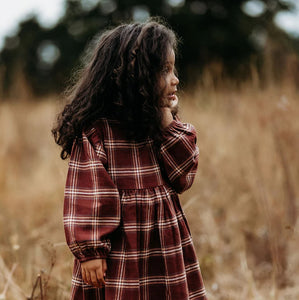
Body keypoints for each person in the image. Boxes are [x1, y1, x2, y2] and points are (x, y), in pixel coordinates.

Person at [52, 19, 207, 300]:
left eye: (173, 69)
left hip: (164, 245)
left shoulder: (161, 126)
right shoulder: (98, 131)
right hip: (120, 248)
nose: (176, 79)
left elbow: (184, 177)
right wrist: (90, 251)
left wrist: (166, 123)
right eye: (165, 71)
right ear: (137, 77)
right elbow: (87, 195)